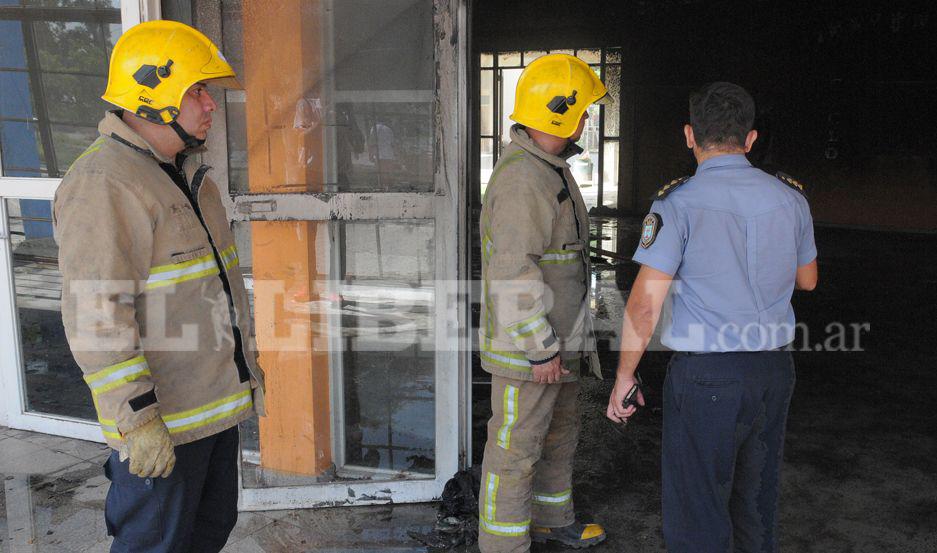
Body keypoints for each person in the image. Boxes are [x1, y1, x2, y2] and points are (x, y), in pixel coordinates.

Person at [53, 20, 265, 552]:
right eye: (196, 91)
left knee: (207, 533)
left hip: (209, 412)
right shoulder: (105, 184)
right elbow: (96, 315)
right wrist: (138, 418)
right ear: (153, 96)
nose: (209, 105)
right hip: (161, 423)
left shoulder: (187, 174)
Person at [606, 81, 818, 553]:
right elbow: (808, 281)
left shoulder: (677, 204)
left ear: (689, 135)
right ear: (750, 139)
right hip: (773, 371)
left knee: (698, 506)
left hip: (707, 378)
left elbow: (645, 303)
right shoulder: (791, 199)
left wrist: (624, 375)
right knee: (756, 501)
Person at [478, 53, 610, 552]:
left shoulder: (549, 167)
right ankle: (503, 546)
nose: (587, 119)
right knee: (514, 452)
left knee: (558, 436)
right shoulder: (522, 180)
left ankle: (555, 520)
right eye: (583, 109)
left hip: (558, 343)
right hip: (530, 352)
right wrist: (540, 349)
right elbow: (512, 272)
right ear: (561, 111)